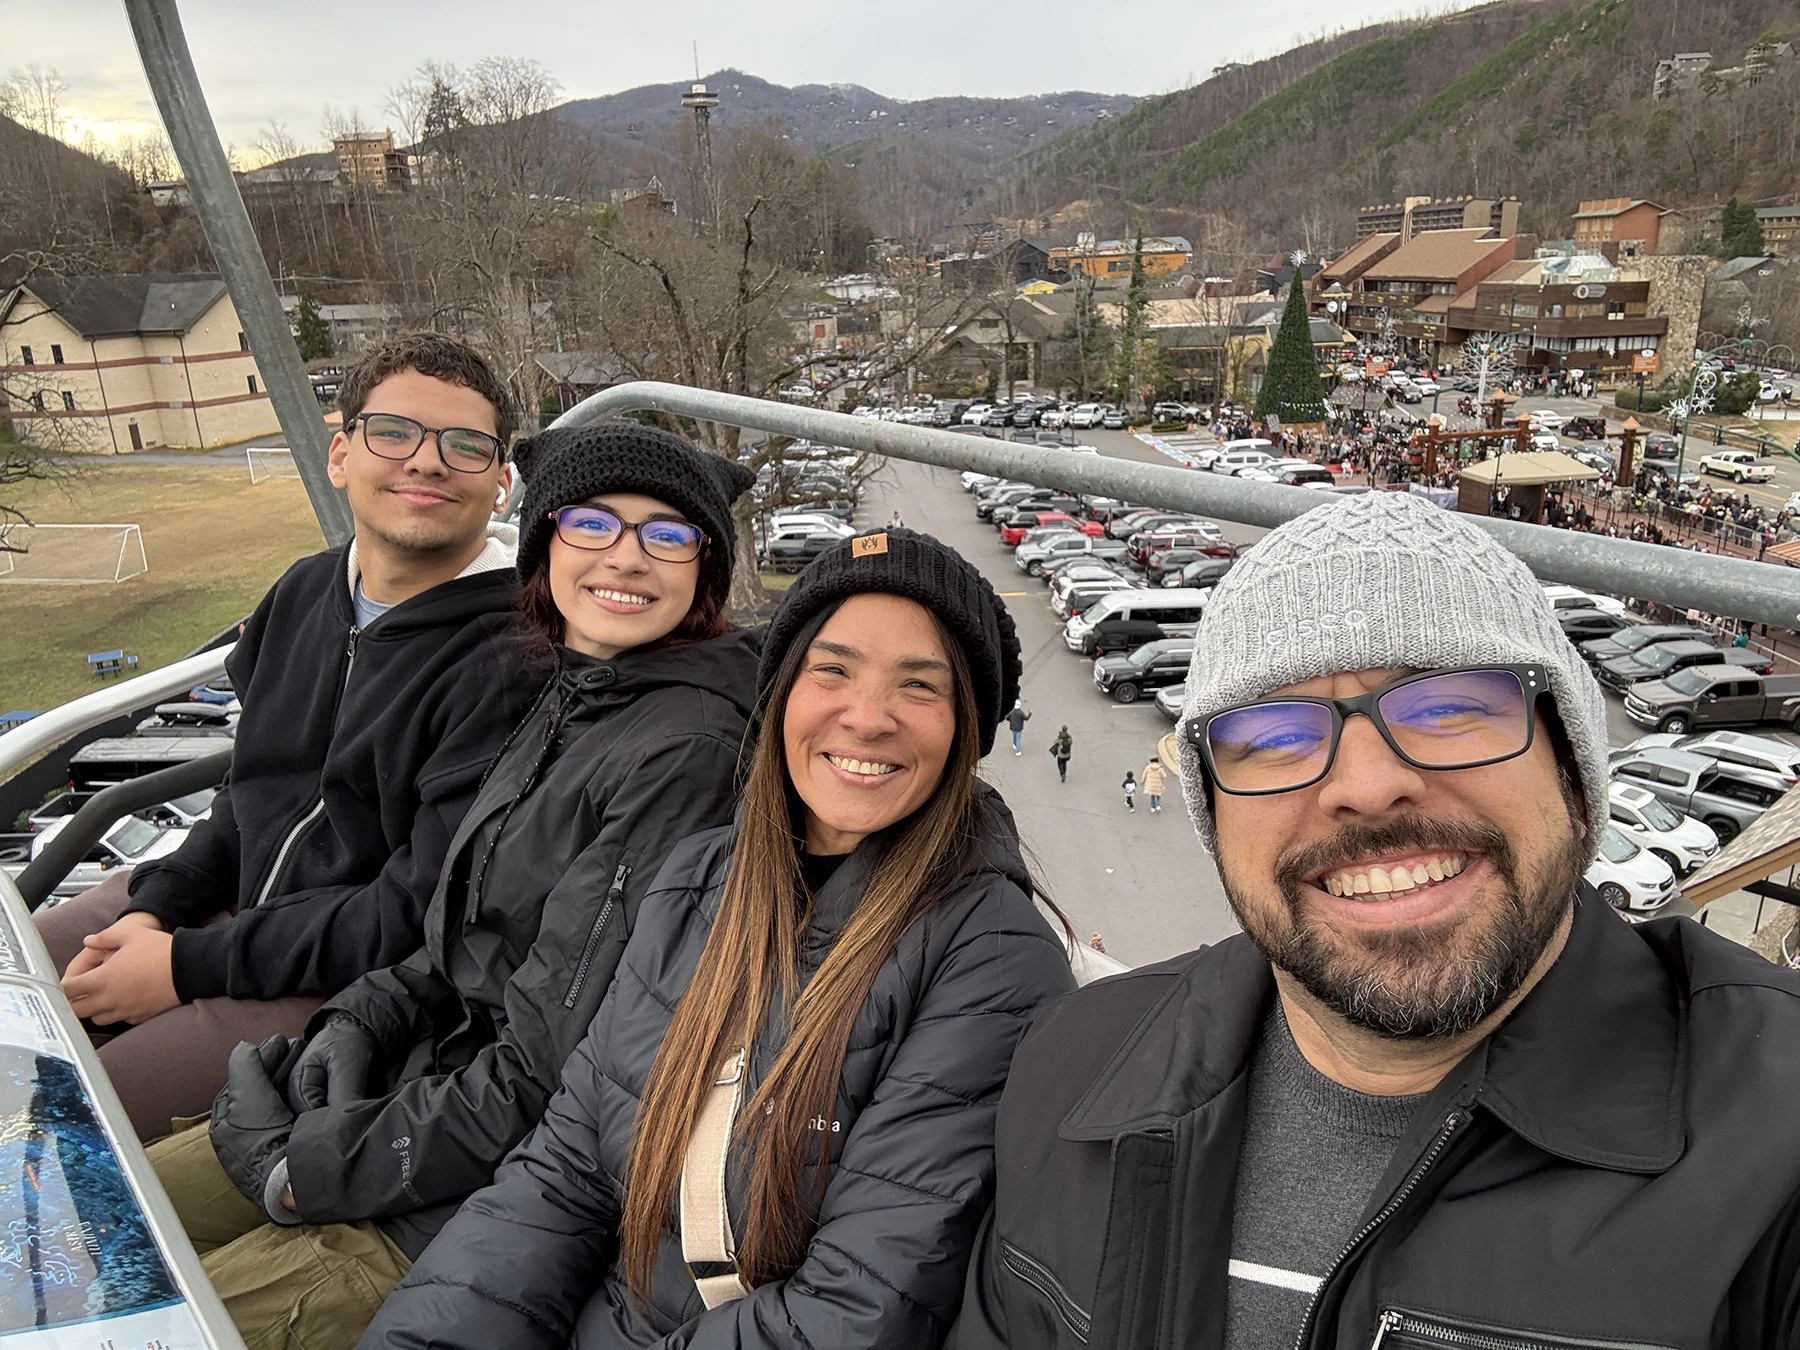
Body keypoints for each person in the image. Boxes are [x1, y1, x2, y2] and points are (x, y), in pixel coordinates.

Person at [951, 491, 1800, 1350]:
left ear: (1576, 780)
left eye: (1444, 708)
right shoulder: (1070, 1066)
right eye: (1274, 736)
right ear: (1215, 820)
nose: (1364, 785)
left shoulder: (1777, 1138)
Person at [362, 528, 1076, 1350]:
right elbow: (565, 1173)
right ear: (780, 696)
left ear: (965, 734)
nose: (867, 718)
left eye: (920, 687)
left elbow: (857, 1312)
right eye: (832, 670)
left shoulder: (991, 960)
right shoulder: (703, 877)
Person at [139, 421, 762, 1349]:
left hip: (463, 1196)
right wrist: (364, 1017)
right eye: (593, 524)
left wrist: (309, 1168)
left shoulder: (686, 754)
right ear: (546, 544)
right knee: (89, 1215)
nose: (626, 559)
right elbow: (465, 939)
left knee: (133, 1312)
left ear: (702, 575)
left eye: (668, 535)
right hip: (421, 1094)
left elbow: (558, 1070)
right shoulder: (577, 689)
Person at [36, 332, 545, 1142]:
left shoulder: (512, 662)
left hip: (344, 977)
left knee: (66, 1118)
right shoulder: (305, 592)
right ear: (342, 454)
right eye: (394, 433)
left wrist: (182, 967)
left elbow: (417, 910)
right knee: (24, 972)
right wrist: (157, 909)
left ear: (501, 484)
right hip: (228, 909)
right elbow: (251, 789)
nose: (427, 461)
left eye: (464, 445)